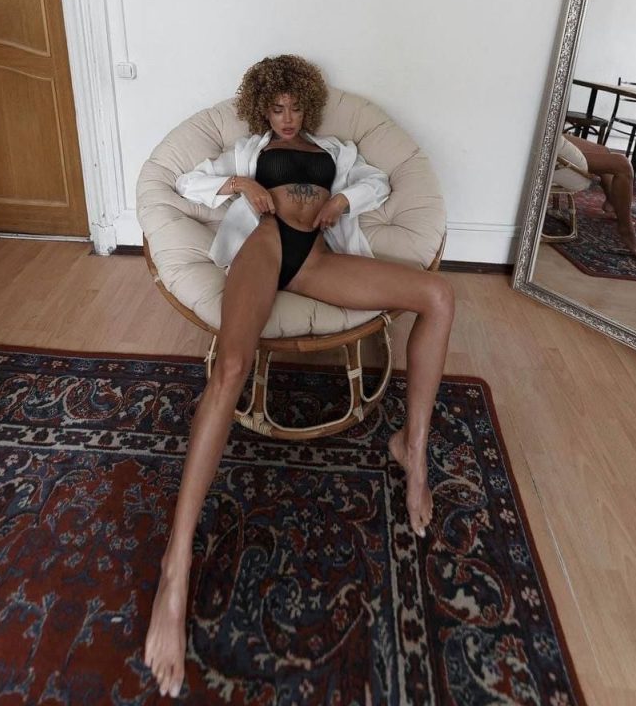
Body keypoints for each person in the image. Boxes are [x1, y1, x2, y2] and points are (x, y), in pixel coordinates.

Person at [144, 54, 455, 698]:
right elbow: (186, 183)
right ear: (262, 109)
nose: (285, 119)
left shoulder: (337, 152)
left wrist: (342, 198)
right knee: (230, 368)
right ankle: (176, 568)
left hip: (315, 259)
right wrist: (241, 185)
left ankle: (413, 447)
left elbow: (378, 184)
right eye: (275, 108)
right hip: (263, 248)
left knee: (440, 296)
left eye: (293, 108)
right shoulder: (248, 151)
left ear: (307, 106)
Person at [561, 133, 636, 257]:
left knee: (603, 151)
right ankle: (626, 229)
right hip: (549, 146)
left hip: (553, 137)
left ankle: (612, 201)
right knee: (623, 165)